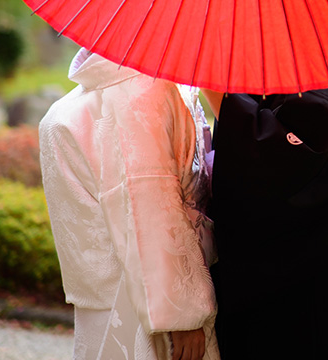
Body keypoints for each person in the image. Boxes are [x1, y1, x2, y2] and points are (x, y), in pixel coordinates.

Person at [38, 49, 219, 360]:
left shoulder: (83, 97)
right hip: (145, 294)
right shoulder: (141, 91)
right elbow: (150, 206)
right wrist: (182, 312)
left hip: (105, 290)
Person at [204, 75, 328, 360]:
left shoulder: (322, 44)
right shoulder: (273, 42)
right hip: (290, 262)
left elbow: (299, 143)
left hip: (320, 274)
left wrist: (221, 96)